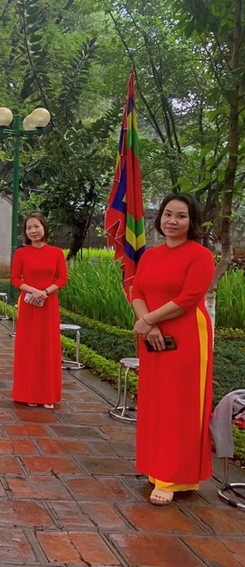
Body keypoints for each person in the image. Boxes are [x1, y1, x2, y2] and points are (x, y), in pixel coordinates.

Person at [131, 193, 215, 506]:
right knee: (156, 401)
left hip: (187, 335)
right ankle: (156, 467)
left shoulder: (200, 256)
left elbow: (188, 299)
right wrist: (148, 324)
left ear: (192, 221)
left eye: (181, 216)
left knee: (180, 404)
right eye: (168, 214)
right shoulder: (150, 256)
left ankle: (174, 476)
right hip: (153, 334)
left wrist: (149, 320)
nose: (172, 221)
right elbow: (137, 290)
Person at [10, 213, 68, 409]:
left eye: (36, 226)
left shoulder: (57, 252)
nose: (33, 231)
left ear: (44, 227)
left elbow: (62, 279)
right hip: (29, 305)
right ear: (25, 232)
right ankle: (28, 393)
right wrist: (32, 290)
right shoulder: (21, 253)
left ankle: (47, 394)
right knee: (29, 348)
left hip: (48, 305)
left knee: (47, 348)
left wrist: (44, 292)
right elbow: (15, 279)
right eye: (29, 228)